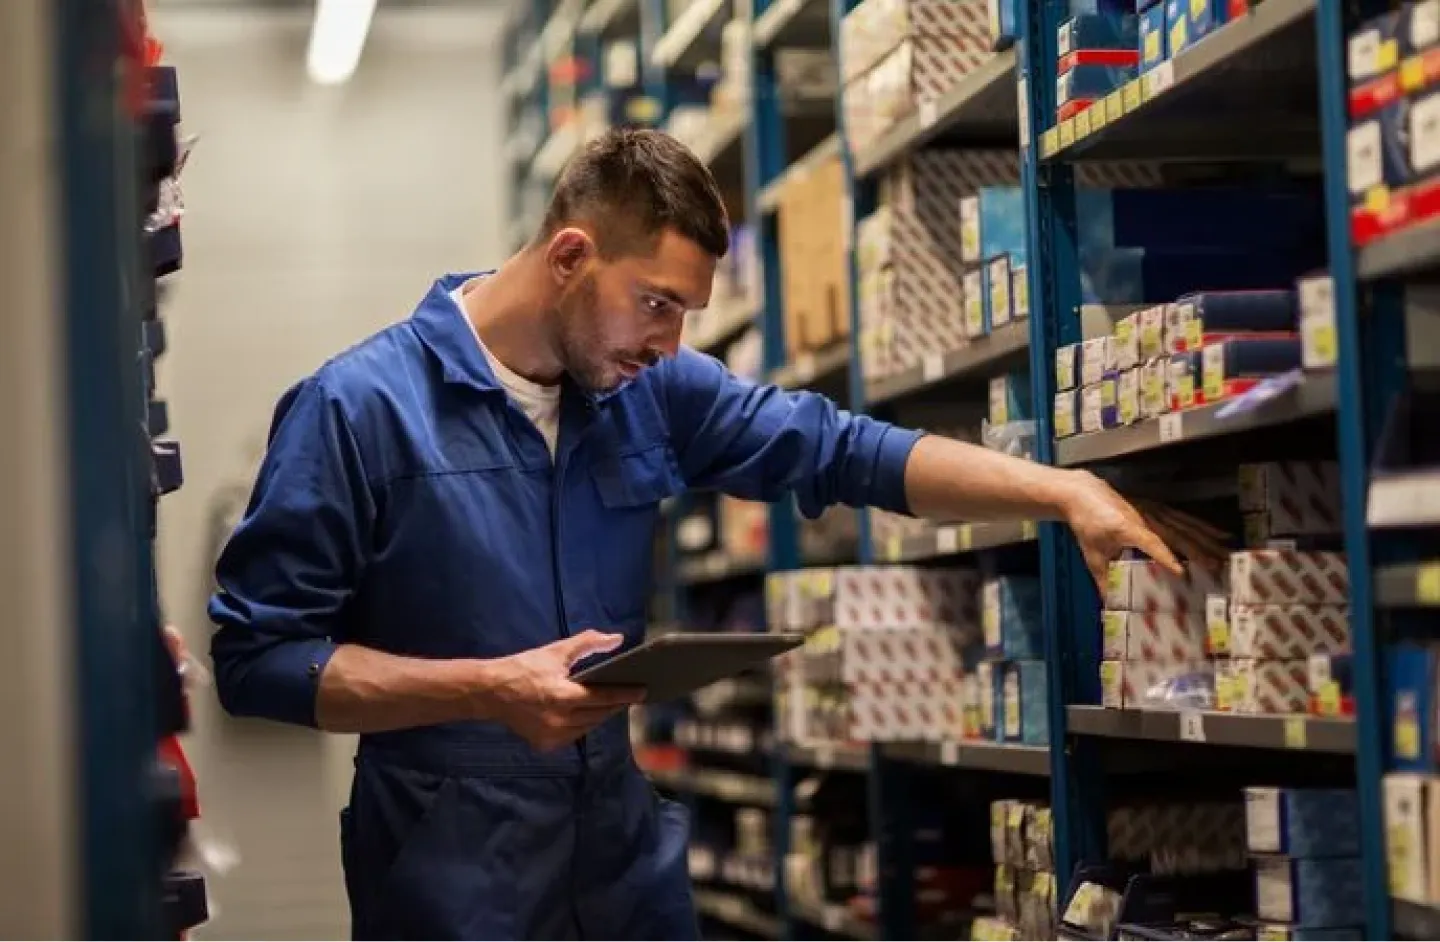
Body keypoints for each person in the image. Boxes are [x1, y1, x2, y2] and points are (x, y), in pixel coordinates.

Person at [209, 128, 1192, 941]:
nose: (671, 343)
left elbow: (841, 450)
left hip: (625, 875)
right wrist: (486, 688)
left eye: (687, 315)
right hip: (453, 887)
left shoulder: (650, 392)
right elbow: (258, 659)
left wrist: (1062, 491)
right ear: (569, 258)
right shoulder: (358, 409)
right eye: (658, 305)